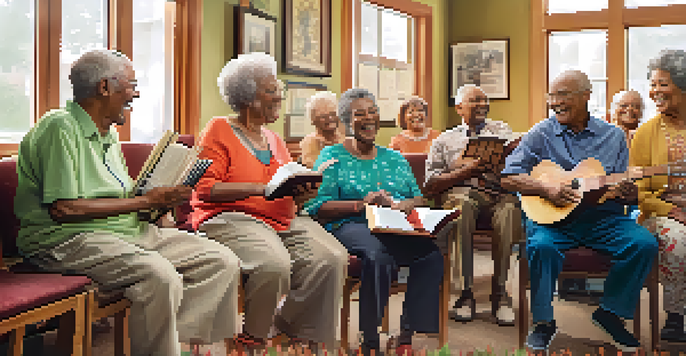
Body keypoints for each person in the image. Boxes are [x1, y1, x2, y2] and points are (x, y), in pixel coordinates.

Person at [14, 49, 242, 356]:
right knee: (159, 276)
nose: (135, 94)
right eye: (131, 85)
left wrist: (158, 205)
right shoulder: (60, 127)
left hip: (126, 232)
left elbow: (125, 199)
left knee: (221, 260)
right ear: (105, 87)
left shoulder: (108, 136)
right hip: (66, 239)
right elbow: (65, 208)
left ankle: (179, 345)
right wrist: (145, 200)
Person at [190, 52, 348, 353]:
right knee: (273, 263)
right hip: (230, 217)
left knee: (332, 258)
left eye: (279, 90)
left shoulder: (274, 139)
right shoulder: (219, 129)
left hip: (280, 218)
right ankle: (252, 338)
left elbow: (287, 183)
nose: (280, 97)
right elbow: (206, 190)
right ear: (249, 96)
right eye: (272, 90)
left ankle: (292, 328)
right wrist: (263, 188)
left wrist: (303, 192)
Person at [501, 69, 658, 352]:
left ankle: (610, 312)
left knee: (644, 243)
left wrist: (629, 192)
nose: (554, 102)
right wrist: (546, 189)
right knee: (541, 247)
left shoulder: (613, 137)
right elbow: (509, 176)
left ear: (586, 96)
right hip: (552, 222)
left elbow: (628, 190)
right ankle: (543, 322)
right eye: (551, 95)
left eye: (562, 95)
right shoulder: (540, 133)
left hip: (603, 218)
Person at [304, 88, 444, 356]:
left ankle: (405, 335)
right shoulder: (332, 157)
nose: (369, 118)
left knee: (431, 256)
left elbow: (420, 198)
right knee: (377, 255)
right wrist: (361, 203)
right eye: (360, 114)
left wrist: (404, 205)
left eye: (373, 111)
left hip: (395, 224)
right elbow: (317, 206)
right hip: (350, 224)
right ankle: (370, 340)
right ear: (346, 120)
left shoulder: (394, 157)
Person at [424, 84, 520, 326]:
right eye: (475, 100)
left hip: (498, 193)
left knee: (510, 210)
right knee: (461, 205)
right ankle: (465, 295)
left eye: (484, 100)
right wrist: (468, 169)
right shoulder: (444, 140)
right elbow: (431, 184)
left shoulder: (503, 131)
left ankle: (500, 294)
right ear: (459, 107)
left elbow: (519, 165)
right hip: (463, 194)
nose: (482, 105)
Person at [631, 49, 686, 342]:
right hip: (661, 213)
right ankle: (676, 316)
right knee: (678, 240)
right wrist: (672, 211)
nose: (654, 91)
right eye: (652, 84)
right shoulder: (645, 133)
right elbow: (637, 190)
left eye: (662, 84)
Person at [299, 91, 345, 169]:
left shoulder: (344, 139)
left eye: (333, 114)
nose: (330, 118)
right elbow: (316, 169)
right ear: (313, 120)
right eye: (323, 116)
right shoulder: (310, 142)